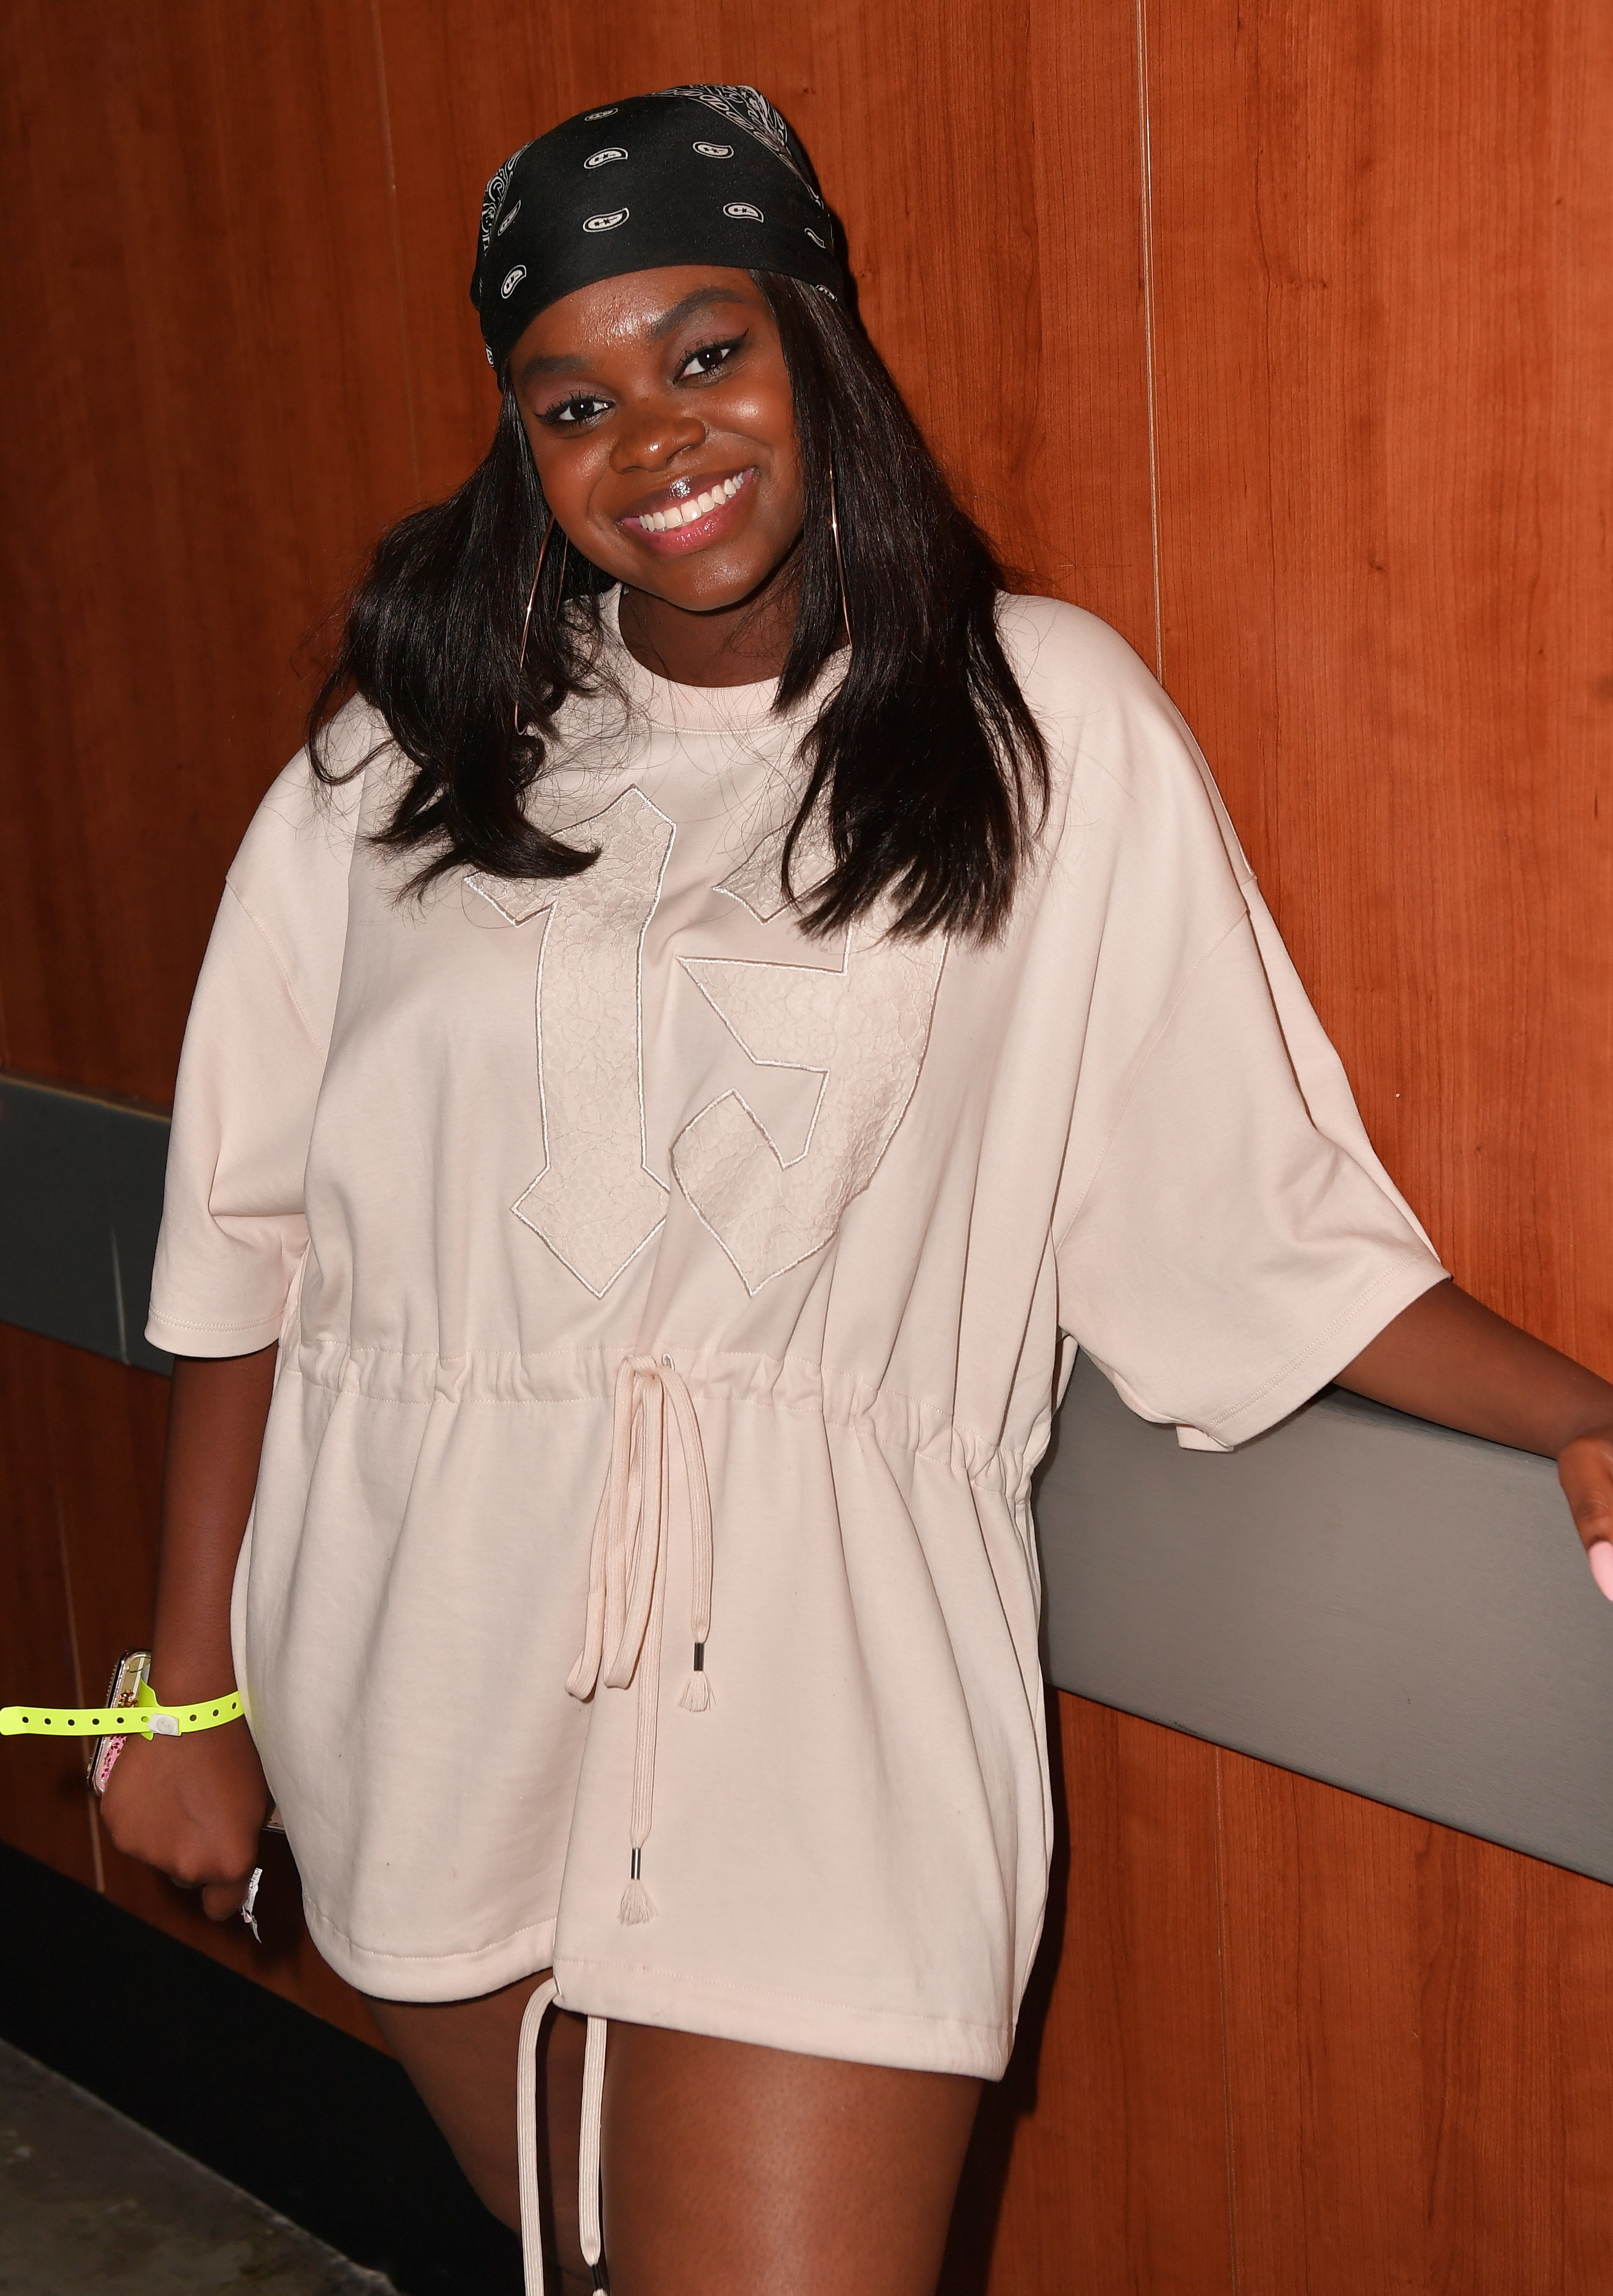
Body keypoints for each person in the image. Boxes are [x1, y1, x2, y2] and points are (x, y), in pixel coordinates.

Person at [101, 85, 1613, 2296]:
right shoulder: (403, 755)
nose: (654, 441)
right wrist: (185, 1682)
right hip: (424, 1655)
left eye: (706, 353)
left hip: (827, 1693)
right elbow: (246, 1246)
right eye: (573, 400)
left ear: (815, 342)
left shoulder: (1038, 723)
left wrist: (1575, 1409)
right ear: (521, 443)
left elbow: (1243, 1207)